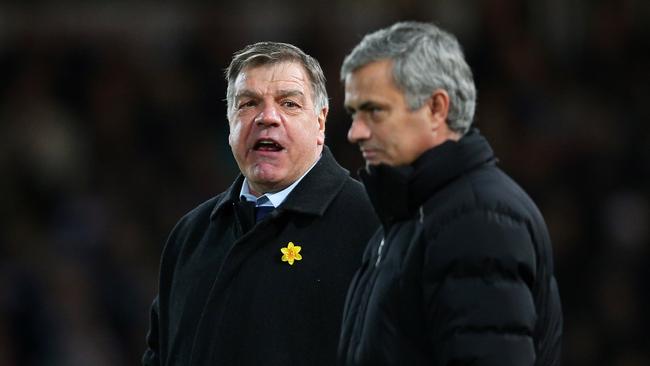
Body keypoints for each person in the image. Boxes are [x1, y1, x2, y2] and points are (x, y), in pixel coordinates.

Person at [337, 21, 563, 365]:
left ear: (436, 109)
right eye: (354, 113)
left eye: (374, 110)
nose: (355, 132)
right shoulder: (412, 214)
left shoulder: (478, 218)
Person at [142, 42, 378, 366]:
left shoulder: (373, 226)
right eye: (249, 103)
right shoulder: (189, 237)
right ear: (229, 122)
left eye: (289, 103)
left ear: (320, 123)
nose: (267, 117)